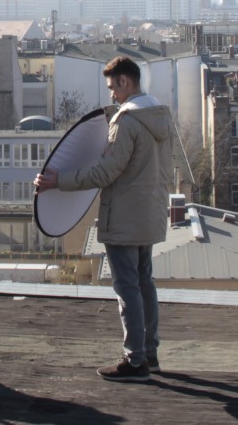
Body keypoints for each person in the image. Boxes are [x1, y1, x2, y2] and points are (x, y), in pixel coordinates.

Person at [35, 55, 173, 382]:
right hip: (150, 213)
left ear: (125, 82)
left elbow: (107, 171)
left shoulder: (126, 121)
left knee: (127, 289)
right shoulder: (160, 116)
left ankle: (134, 360)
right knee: (144, 284)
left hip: (124, 217)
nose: (111, 94)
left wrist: (59, 181)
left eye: (113, 87)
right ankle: (149, 354)